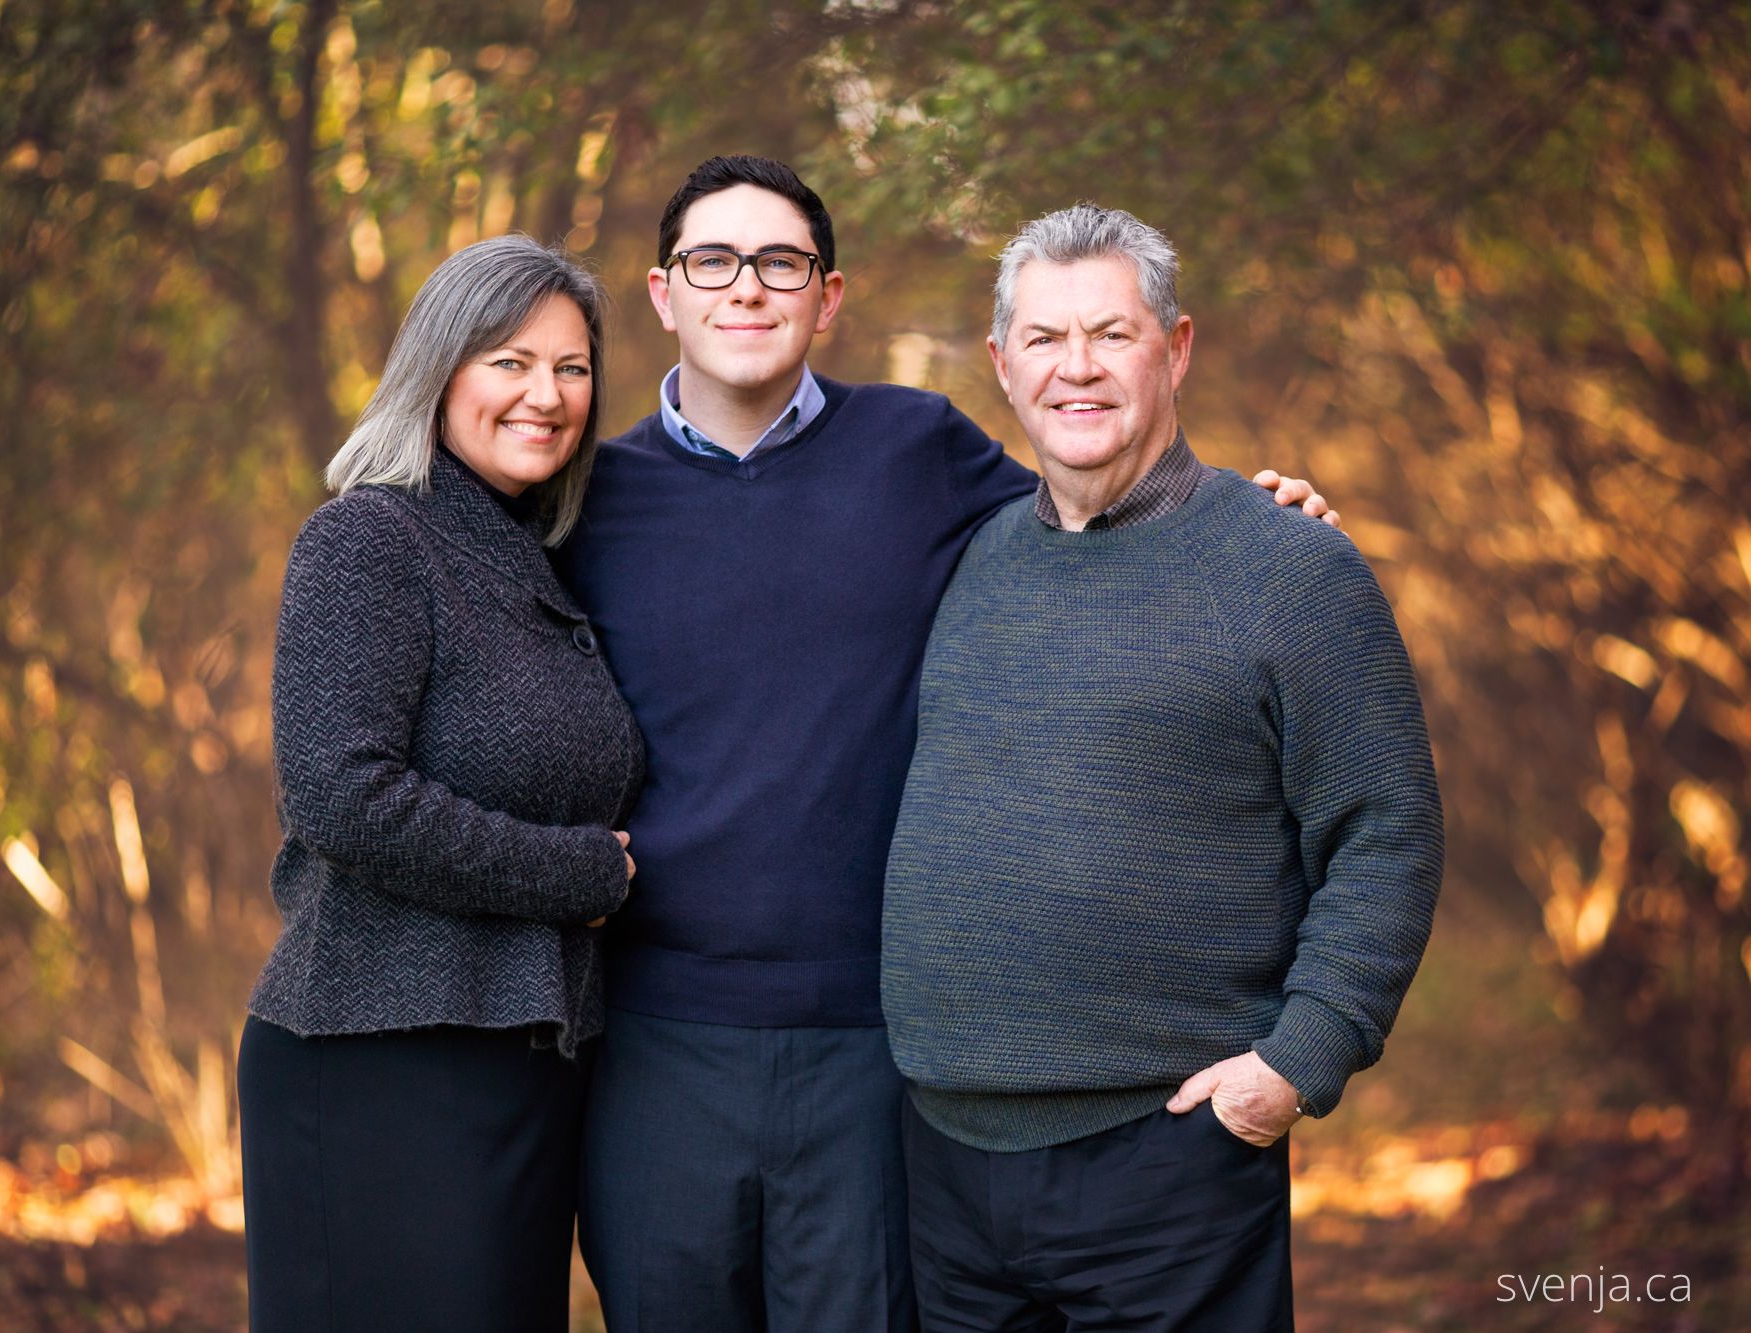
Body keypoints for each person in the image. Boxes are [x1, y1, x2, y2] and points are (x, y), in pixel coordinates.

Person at [554, 156, 1340, 1333]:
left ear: (828, 297)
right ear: (663, 293)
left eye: (782, 263)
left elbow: (1093, 502)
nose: (747, 289)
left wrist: (1255, 520)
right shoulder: (584, 500)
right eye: (712, 262)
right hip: (651, 1045)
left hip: (876, 1054)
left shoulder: (915, 449)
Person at [880, 203, 1446, 1331]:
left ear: (1174, 348)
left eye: (1110, 334)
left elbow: (1386, 831)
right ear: (1000, 363)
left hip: (1168, 1156)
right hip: (941, 1164)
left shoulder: (1289, 567)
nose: (1073, 369)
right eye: (1042, 339)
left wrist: (1294, 1063)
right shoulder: (972, 558)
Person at [236, 235, 643, 1333]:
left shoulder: (528, 555)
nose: (545, 395)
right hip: (381, 1059)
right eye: (508, 361)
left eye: (569, 367)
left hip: (515, 1066)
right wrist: (579, 874)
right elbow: (338, 794)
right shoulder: (370, 539)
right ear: (439, 369)